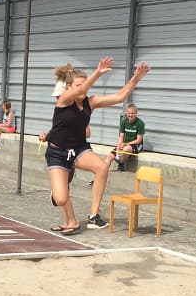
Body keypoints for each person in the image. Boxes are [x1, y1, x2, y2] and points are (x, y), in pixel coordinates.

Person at [46, 57, 152, 234]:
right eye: (79, 85)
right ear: (69, 87)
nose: (83, 89)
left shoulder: (91, 101)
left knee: (102, 167)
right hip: (57, 152)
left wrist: (136, 78)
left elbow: (120, 97)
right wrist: (97, 72)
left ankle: (93, 215)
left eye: (85, 85)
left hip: (79, 148)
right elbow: (82, 88)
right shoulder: (64, 100)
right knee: (61, 198)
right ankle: (70, 219)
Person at [105, 102, 145, 171]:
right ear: (126, 113)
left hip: (137, 145)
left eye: (132, 113)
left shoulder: (140, 123)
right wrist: (119, 146)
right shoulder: (124, 122)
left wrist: (126, 144)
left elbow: (138, 140)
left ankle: (121, 163)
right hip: (125, 144)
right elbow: (121, 137)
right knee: (109, 156)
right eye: (129, 113)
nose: (130, 115)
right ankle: (102, 174)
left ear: (136, 113)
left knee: (126, 149)